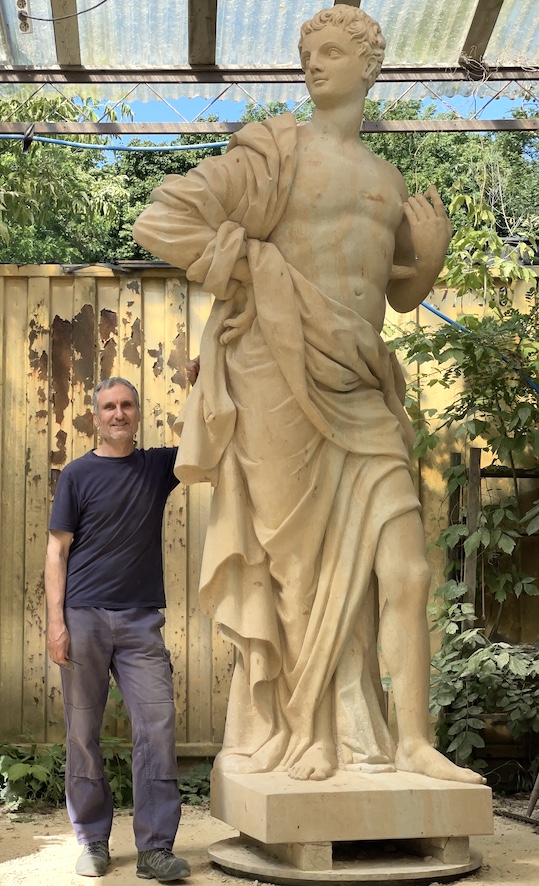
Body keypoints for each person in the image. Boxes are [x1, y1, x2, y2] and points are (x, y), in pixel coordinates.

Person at [133, 6, 483, 785]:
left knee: (407, 570)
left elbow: (389, 294)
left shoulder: (388, 180)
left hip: (362, 387)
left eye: (330, 52)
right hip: (278, 374)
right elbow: (164, 217)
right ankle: (310, 733)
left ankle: (412, 740)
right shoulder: (274, 151)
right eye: (308, 52)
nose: (314, 64)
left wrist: (424, 264)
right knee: (297, 570)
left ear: (369, 67)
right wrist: (248, 268)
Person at [44, 377, 192, 880]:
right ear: (95, 416)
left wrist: (200, 384)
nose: (118, 414)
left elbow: (203, 441)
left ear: (136, 412)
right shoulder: (77, 475)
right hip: (82, 618)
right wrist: (56, 624)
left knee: (156, 727)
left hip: (140, 622)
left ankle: (154, 849)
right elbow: (56, 551)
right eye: (109, 406)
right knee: (83, 733)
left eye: (126, 405)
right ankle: (91, 840)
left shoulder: (155, 467)